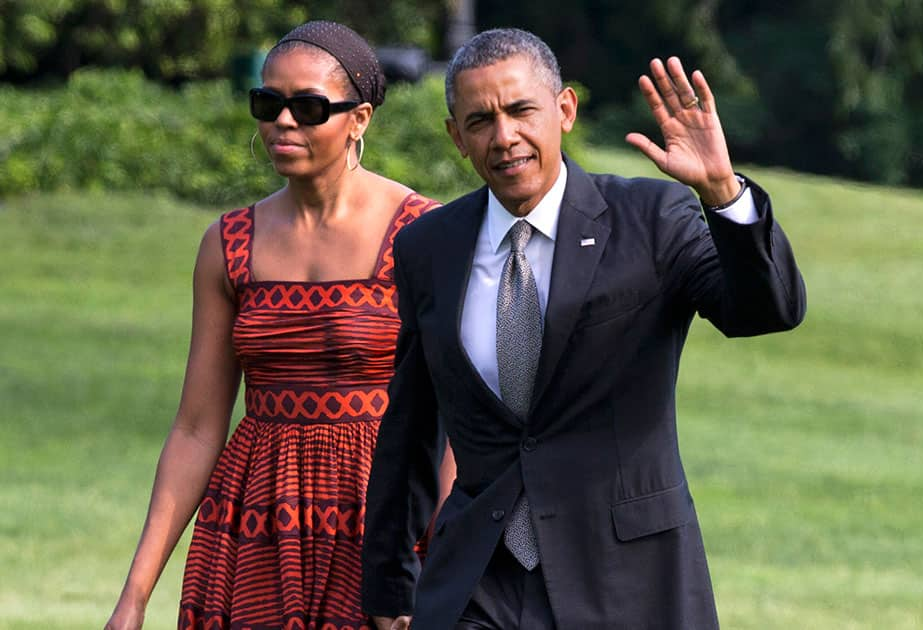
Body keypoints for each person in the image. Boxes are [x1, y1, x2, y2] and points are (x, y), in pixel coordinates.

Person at [360, 27, 806, 630]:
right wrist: (390, 587)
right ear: (456, 137)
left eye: (521, 110)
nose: (505, 136)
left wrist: (723, 194)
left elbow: (765, 310)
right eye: (481, 120)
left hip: (625, 580)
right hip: (478, 584)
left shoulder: (652, 219)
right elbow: (411, 425)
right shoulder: (427, 248)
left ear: (564, 110)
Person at [105, 21, 453, 629]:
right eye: (268, 104)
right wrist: (133, 598)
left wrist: (443, 564)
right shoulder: (228, 244)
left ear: (360, 118)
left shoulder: (426, 234)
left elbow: (456, 421)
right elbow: (194, 429)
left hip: (384, 515)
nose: (283, 122)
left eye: (309, 106)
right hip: (255, 521)